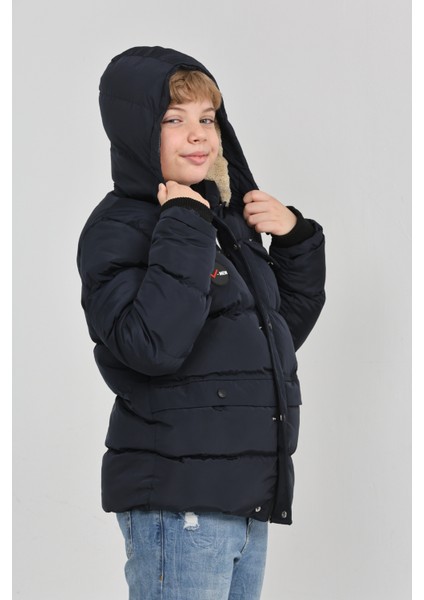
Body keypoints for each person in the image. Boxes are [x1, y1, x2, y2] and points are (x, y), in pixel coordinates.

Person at [77, 46, 326, 600]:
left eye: (208, 119)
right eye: (174, 119)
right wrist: (186, 222)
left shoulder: (224, 221)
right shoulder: (118, 228)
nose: (198, 135)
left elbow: (272, 339)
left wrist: (294, 241)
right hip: (179, 500)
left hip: (241, 497)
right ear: (138, 131)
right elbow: (151, 346)